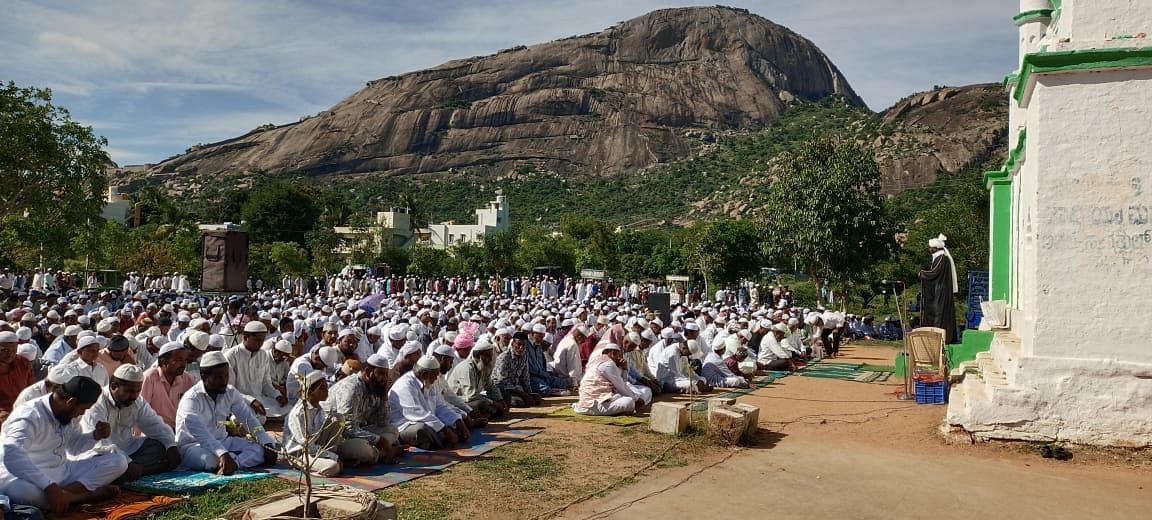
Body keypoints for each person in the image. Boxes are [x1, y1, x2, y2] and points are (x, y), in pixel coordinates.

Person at [0, 376, 128, 511]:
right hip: (26, 476)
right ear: (71, 402)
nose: (82, 413)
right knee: (21, 492)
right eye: (83, 409)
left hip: (62, 470)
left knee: (119, 461)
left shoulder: (67, 414)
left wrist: (95, 436)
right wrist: (48, 486)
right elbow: (12, 456)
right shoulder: (29, 415)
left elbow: (73, 448)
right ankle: (85, 496)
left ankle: (63, 495)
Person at [175, 351, 279, 474]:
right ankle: (229, 462)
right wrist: (222, 453)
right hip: (193, 446)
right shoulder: (191, 398)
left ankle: (233, 464)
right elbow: (201, 434)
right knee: (211, 461)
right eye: (219, 377)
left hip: (224, 441)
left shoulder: (230, 392)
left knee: (268, 446)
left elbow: (248, 419)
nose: (224, 380)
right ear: (203, 376)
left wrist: (265, 441)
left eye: (226, 375)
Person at [81, 365, 180, 481]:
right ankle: (135, 471)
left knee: (161, 445)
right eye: (130, 391)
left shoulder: (137, 401)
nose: (134, 396)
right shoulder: (96, 403)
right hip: (103, 453)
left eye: (138, 391)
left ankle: (128, 473)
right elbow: (99, 443)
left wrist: (171, 446)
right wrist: (127, 462)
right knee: (106, 461)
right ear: (113, 386)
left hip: (128, 449)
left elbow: (155, 425)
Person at [321, 354, 402, 465]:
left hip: (357, 432)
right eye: (381, 374)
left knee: (392, 430)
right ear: (368, 372)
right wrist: (379, 440)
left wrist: (384, 397)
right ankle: (381, 453)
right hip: (335, 438)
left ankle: (375, 453)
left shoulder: (374, 386)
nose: (385, 379)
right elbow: (347, 429)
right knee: (363, 448)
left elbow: (383, 422)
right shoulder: (351, 388)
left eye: (386, 374)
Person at [388, 356, 468, 450]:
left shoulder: (429, 382)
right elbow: (417, 414)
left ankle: (441, 437)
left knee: (455, 421)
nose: (436, 378)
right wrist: (445, 430)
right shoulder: (405, 385)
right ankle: (441, 439)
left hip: (428, 421)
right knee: (421, 430)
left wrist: (458, 421)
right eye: (435, 375)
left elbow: (440, 406)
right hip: (405, 425)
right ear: (424, 374)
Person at [224, 321, 290, 421]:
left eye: (262, 340)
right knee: (240, 419)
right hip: (239, 401)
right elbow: (229, 390)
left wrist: (277, 395)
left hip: (260, 400)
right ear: (245, 337)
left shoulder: (263, 355)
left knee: (289, 410)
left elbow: (266, 383)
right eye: (256, 340)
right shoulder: (231, 356)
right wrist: (251, 401)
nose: (260, 344)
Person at [284, 372, 344, 477]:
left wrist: (332, 455)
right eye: (322, 388)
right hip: (300, 453)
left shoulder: (319, 410)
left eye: (326, 387)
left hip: (314, 447)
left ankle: (327, 458)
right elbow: (307, 446)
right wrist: (334, 458)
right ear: (311, 391)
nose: (327, 391)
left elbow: (317, 437)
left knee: (338, 418)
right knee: (333, 467)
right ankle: (310, 466)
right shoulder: (299, 413)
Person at [572, 343, 644, 416]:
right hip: (594, 405)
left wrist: (624, 369)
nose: (618, 358)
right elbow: (621, 386)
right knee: (629, 401)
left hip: (587, 402)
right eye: (618, 355)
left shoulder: (595, 361)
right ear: (613, 353)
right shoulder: (608, 364)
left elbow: (622, 383)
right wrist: (636, 399)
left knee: (625, 396)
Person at [140, 342, 198, 430]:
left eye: (185, 360)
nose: (183, 364)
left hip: (182, 430)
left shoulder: (187, 379)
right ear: (164, 361)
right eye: (178, 360)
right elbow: (140, 411)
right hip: (156, 432)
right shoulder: (149, 377)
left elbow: (196, 408)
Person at [446, 339, 508, 418]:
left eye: (491, 356)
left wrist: (500, 400)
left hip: (474, 398)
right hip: (462, 400)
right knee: (481, 404)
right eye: (488, 356)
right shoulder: (467, 368)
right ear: (478, 356)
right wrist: (494, 403)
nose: (490, 359)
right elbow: (471, 396)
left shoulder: (484, 367)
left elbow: (491, 386)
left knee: (502, 399)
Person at [918, 234, 958, 343]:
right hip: (939, 290)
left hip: (941, 292)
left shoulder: (942, 259)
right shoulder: (940, 258)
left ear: (935, 248)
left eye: (931, 247)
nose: (929, 249)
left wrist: (922, 274)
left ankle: (939, 338)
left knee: (939, 314)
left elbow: (934, 273)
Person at [491, 332, 541, 407]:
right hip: (501, 388)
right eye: (519, 344)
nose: (521, 347)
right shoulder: (504, 357)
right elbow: (501, 381)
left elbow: (525, 377)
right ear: (513, 344)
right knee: (518, 402)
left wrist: (528, 393)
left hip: (515, 388)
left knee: (537, 398)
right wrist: (523, 394)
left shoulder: (524, 355)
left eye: (524, 345)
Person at [0, 331, 36, 424]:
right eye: (5, 350)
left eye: (13, 351)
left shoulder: (23, 362)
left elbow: (32, 389)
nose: (10, 355)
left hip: (22, 411)